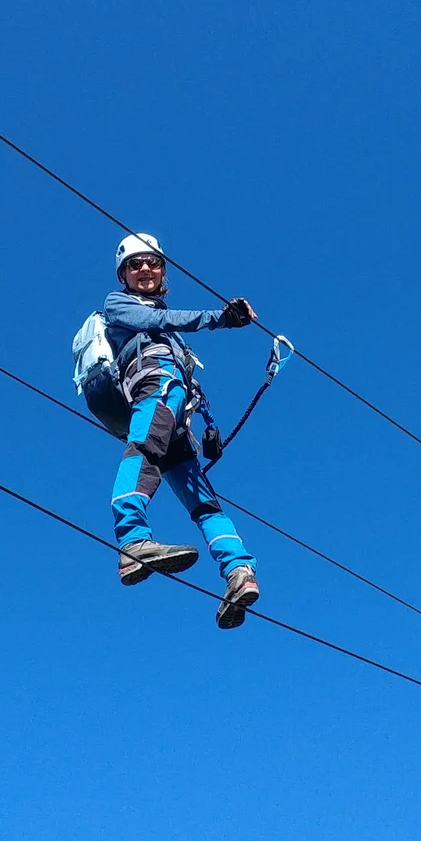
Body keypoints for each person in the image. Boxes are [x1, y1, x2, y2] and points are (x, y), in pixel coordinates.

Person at [103, 233, 262, 629]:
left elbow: (183, 368)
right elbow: (156, 320)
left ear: (162, 271)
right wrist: (218, 317)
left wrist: (209, 429)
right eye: (135, 264)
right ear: (123, 274)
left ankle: (238, 571)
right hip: (155, 384)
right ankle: (132, 541)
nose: (145, 269)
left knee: (205, 503)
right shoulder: (118, 304)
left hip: (179, 410)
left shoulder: (170, 336)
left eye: (153, 263)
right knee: (144, 450)